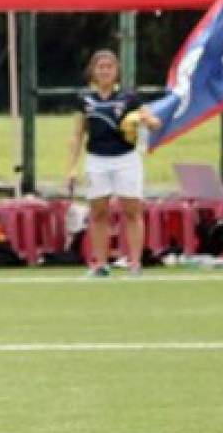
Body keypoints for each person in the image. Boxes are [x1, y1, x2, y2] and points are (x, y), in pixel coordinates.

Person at [64, 49, 161, 277]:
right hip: (97, 160)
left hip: (126, 159)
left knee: (131, 211)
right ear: (93, 71)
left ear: (116, 71)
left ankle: (135, 263)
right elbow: (77, 135)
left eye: (109, 67)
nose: (105, 71)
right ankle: (100, 264)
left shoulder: (129, 98)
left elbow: (155, 122)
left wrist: (146, 120)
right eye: (100, 67)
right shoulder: (85, 101)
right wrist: (71, 168)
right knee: (98, 212)